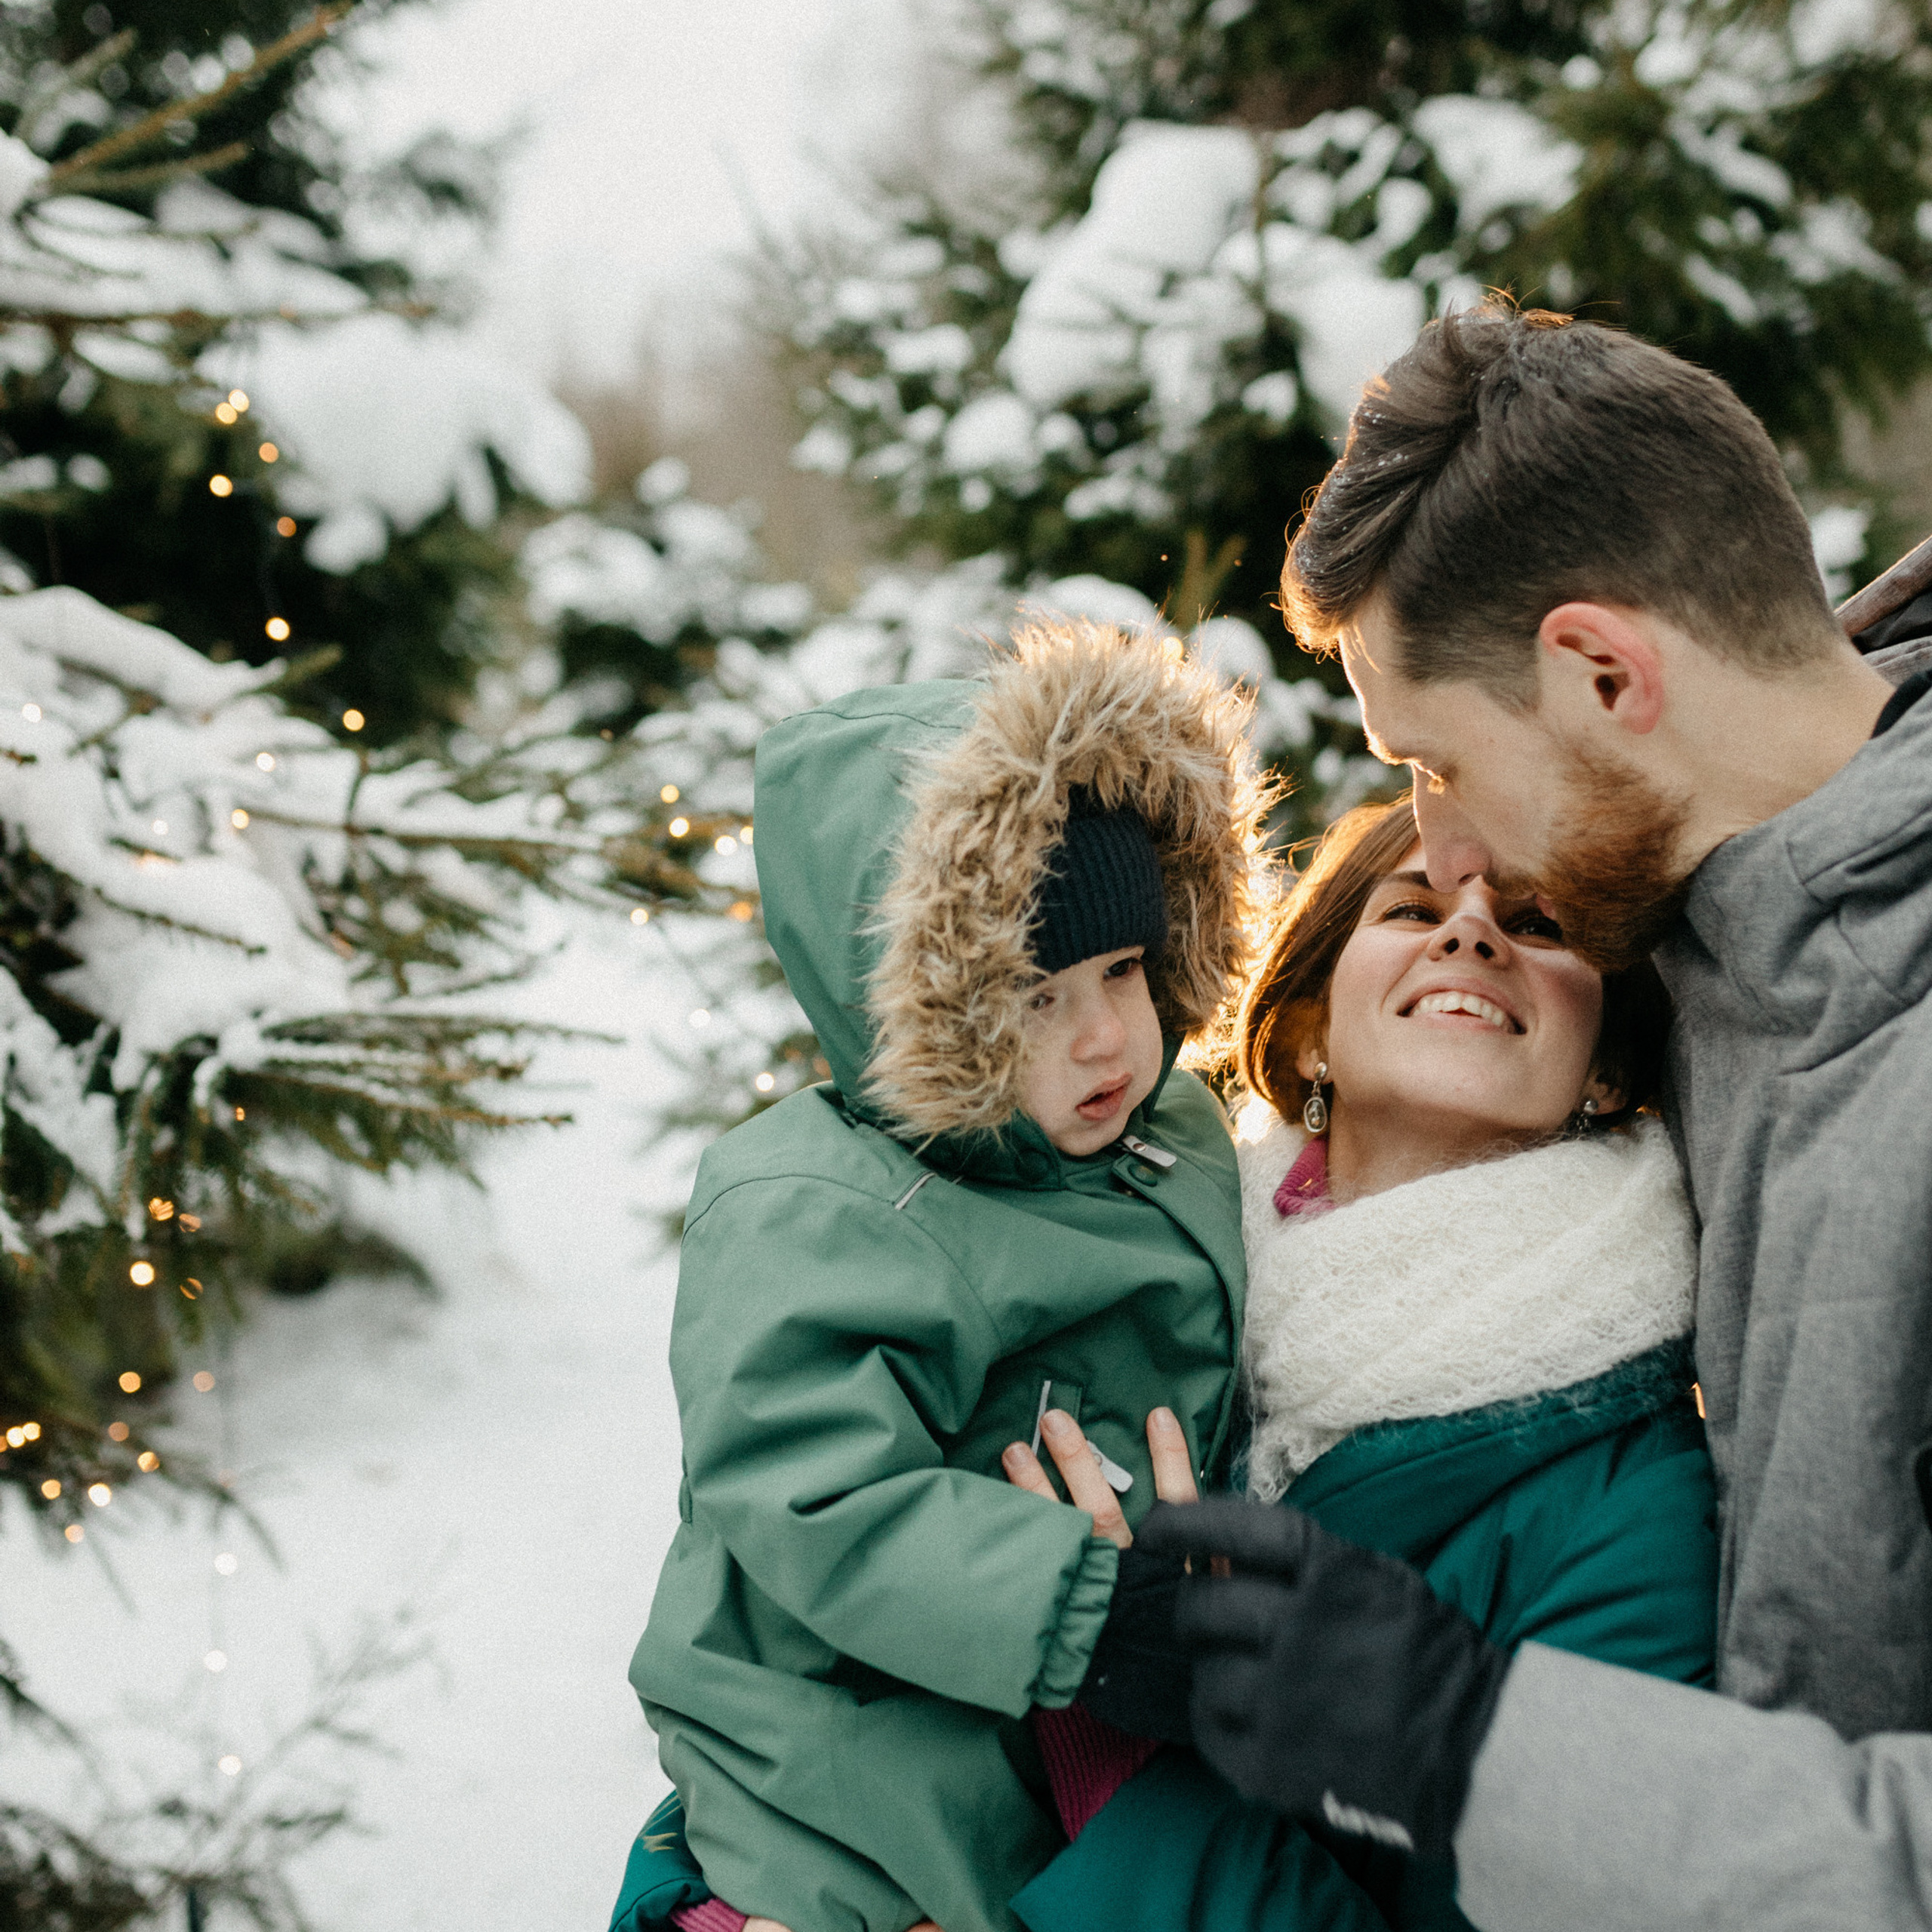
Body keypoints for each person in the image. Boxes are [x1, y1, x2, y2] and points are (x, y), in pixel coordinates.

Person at [1146, 303, 1932, 1930]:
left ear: (1598, 670)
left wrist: (1472, 1745)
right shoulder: (1721, 961)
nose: (1434, 858)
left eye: (1429, 760)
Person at [608, 618, 1272, 1932]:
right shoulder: (817, 1206)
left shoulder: (1173, 1135)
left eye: (1127, 971)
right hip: (849, 1743)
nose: (1104, 1038)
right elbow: (811, 1489)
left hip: (1090, 1710)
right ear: (925, 1009)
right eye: (1032, 997)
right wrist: (1084, 1606)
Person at [995, 793, 1713, 1932]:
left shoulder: (1642, 1503)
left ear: (1609, 1067)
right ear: (1306, 1027)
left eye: (1537, 924)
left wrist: (1128, 1764)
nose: (1469, 932)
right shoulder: (1098, 1288)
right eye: (1415, 906)